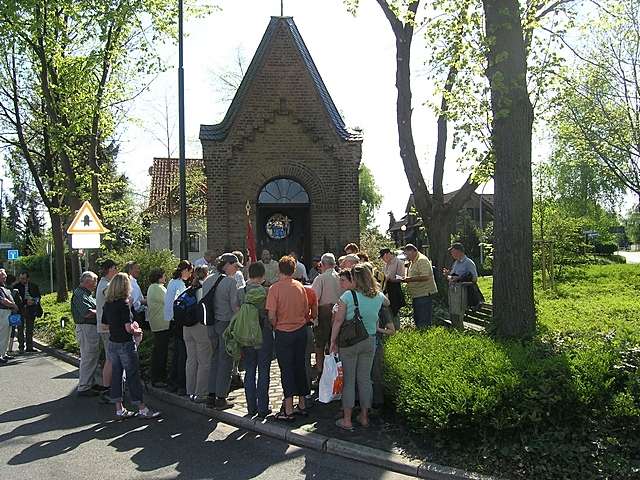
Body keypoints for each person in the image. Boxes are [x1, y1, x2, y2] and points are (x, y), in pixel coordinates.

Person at [330, 264, 386, 431]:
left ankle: (347, 420)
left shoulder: (348, 296)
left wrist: (332, 341)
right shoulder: (378, 296)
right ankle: (364, 416)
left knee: (349, 380)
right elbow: (387, 302)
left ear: (355, 279)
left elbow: (338, 321)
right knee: (365, 379)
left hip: (350, 342)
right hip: (369, 341)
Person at [103, 273, 160, 419]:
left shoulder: (108, 303)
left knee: (116, 376)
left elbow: (105, 323)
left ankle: (119, 408)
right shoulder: (123, 304)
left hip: (113, 342)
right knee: (133, 376)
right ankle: (142, 408)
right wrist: (137, 330)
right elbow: (128, 328)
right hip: (125, 343)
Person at [266, 256, 309, 421]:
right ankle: (303, 403)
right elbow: (306, 310)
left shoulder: (274, 289)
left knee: (286, 369)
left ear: (279, 269)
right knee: (300, 366)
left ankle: (288, 409)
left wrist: (276, 325)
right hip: (300, 330)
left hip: (283, 331)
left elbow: (271, 315)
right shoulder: (300, 286)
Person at [201, 253, 241, 410]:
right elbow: (234, 307)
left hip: (210, 324)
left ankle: (211, 395)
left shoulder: (208, 280)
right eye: (235, 266)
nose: (236, 269)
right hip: (225, 324)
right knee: (226, 361)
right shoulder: (230, 283)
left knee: (214, 358)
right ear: (227, 265)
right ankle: (221, 397)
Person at [239, 262, 273, 417]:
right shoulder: (266, 292)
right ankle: (263, 407)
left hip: (246, 334)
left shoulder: (241, 291)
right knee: (264, 370)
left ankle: (250, 406)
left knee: (249, 370)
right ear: (262, 275)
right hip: (263, 333)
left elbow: (236, 311)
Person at [311, 253, 343, 378]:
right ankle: (336, 372)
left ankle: (321, 373)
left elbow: (314, 299)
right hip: (339, 313)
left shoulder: (321, 278)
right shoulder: (341, 278)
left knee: (319, 345)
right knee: (335, 344)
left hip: (324, 314)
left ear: (322, 265)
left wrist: (314, 317)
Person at [183, 265, 212, 403]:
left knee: (191, 360)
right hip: (199, 326)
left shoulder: (189, 288)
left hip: (186, 327)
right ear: (206, 274)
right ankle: (201, 393)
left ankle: (190, 390)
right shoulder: (203, 288)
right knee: (204, 361)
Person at [70, 271, 101, 395]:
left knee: (92, 356)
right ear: (87, 282)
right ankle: (84, 387)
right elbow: (87, 313)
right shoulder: (79, 294)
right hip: (86, 328)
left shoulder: (87, 294)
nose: (96, 285)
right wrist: (100, 311)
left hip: (90, 328)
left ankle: (90, 383)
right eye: (94, 282)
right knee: (88, 357)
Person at [165, 260, 193, 395]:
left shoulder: (171, 282)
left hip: (172, 321)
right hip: (179, 321)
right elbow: (183, 304)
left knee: (177, 353)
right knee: (182, 354)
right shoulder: (180, 285)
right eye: (190, 272)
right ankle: (180, 383)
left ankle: (173, 381)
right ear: (185, 270)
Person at [400, 244, 438, 329]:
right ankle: (421, 335)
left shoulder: (422, 260)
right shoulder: (413, 261)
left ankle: (425, 336)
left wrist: (408, 279)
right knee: (418, 318)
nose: (407, 256)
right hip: (417, 294)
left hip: (424, 293)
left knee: (423, 320)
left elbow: (425, 277)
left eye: (408, 254)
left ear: (414, 251)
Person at [96, 259, 118, 392]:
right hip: (107, 327)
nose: (116, 270)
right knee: (111, 359)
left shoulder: (104, 283)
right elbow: (114, 299)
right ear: (110, 269)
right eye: (115, 268)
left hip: (106, 326)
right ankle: (108, 387)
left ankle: (109, 386)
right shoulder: (106, 285)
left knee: (111, 358)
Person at [147, 268, 169, 387]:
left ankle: (156, 377)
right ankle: (159, 378)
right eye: (164, 276)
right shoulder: (158, 288)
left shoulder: (152, 287)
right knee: (161, 352)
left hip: (156, 323)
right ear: (159, 277)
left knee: (158, 351)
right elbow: (170, 301)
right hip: (162, 324)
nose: (165, 278)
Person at [13, 271, 42, 353]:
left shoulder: (34, 286)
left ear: (28, 279)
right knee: (20, 329)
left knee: (29, 329)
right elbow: (15, 299)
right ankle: (21, 347)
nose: (22, 280)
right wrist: (25, 302)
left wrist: (34, 301)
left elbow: (38, 296)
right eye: (21, 278)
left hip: (31, 309)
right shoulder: (16, 287)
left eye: (24, 278)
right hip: (20, 310)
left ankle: (29, 347)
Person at [380, 248, 406, 330]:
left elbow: (400, 278)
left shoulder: (399, 262)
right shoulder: (385, 264)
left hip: (394, 289)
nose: (382, 259)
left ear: (387, 254)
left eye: (382, 257)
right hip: (386, 289)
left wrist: (390, 279)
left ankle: (396, 330)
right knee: (387, 310)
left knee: (395, 311)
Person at [0, 269, 19, 364]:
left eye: (5, 276)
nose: (5, 278)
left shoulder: (3, 287)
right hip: (2, 312)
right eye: (3, 276)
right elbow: (3, 301)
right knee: (2, 334)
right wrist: (13, 305)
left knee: (7, 333)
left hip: (7, 312)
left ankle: (4, 353)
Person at [123, 261, 147, 328]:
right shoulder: (132, 283)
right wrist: (144, 301)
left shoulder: (130, 281)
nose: (139, 270)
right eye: (137, 268)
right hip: (135, 316)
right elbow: (135, 303)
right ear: (130, 270)